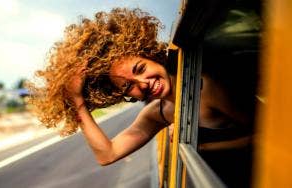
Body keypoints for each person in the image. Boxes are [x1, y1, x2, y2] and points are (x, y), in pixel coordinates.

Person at [27, 7, 256, 186]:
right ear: (122, 95)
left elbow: (270, 137)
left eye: (140, 69)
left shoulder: (207, 87)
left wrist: (200, 147)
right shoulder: (158, 113)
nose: (144, 83)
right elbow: (107, 155)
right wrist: (77, 101)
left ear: (151, 55)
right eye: (129, 86)